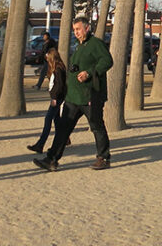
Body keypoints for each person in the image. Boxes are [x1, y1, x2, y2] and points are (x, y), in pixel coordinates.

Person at [34, 17, 113, 172]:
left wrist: (89, 73)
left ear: (87, 28)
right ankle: (51, 159)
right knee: (63, 128)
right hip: (73, 97)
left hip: (91, 95)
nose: (76, 32)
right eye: (74, 30)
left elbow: (107, 61)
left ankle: (103, 158)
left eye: (78, 29)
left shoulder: (96, 44)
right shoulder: (78, 46)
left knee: (96, 126)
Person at [27, 47, 67, 154]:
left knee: (48, 119)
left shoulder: (58, 69)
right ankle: (64, 139)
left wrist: (54, 97)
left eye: (48, 57)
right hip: (57, 96)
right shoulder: (57, 67)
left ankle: (40, 145)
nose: (46, 59)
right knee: (57, 121)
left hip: (57, 98)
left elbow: (59, 85)